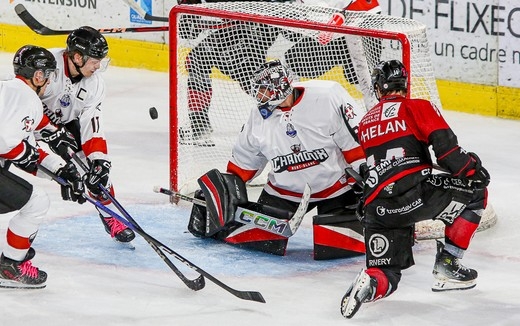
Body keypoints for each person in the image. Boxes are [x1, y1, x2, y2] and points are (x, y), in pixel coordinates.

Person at [340, 60, 490, 318]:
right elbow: (446, 150)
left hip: (377, 206)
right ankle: (448, 264)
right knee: (476, 194)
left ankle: (371, 284)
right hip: (415, 193)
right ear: (404, 85)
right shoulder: (416, 106)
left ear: (379, 88)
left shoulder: (365, 122)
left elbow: (373, 167)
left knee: (387, 272)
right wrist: (472, 169)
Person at [186, 59, 366, 256]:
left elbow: (354, 146)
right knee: (256, 239)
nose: (259, 96)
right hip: (284, 193)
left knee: (339, 246)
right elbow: (244, 164)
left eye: (264, 90)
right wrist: (221, 194)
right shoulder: (258, 117)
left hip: (335, 188)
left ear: (279, 87)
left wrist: (365, 177)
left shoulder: (326, 98)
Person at [38, 26, 135, 243]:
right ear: (77, 56)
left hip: (66, 125)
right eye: (94, 60)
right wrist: (51, 131)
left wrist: (100, 160)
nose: (98, 66)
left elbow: (92, 122)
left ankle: (111, 217)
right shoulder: (46, 66)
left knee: (96, 173)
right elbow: (24, 103)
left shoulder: (95, 83)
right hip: (31, 122)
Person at [0, 45, 85, 288]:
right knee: (36, 202)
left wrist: (62, 172)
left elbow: (28, 153)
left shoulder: (8, 91)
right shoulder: (27, 98)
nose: (49, 82)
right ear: (38, 76)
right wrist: (26, 154)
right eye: (49, 75)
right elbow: (6, 141)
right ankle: (10, 267)